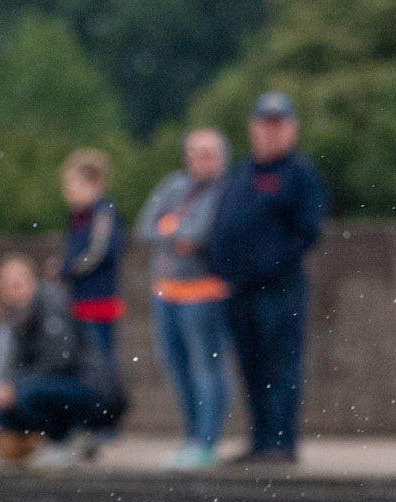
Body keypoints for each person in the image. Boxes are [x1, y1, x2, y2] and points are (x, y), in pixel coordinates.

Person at [204, 92, 323, 467]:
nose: (270, 133)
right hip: (239, 290)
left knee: (280, 366)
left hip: (279, 289)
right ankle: (259, 441)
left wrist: (267, 262)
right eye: (264, 125)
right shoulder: (243, 172)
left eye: (278, 125)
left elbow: (308, 231)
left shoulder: (298, 174)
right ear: (253, 128)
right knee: (251, 366)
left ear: (291, 128)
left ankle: (280, 443)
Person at [139, 129, 232, 469]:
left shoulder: (226, 190)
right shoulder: (172, 186)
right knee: (176, 368)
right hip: (166, 291)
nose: (201, 159)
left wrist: (172, 227)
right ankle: (191, 436)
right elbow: (146, 227)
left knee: (207, 368)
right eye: (195, 152)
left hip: (205, 293)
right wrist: (177, 231)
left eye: (209, 153)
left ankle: (207, 441)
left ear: (222, 157)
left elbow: (201, 234)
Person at [0, 254, 125, 466]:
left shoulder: (52, 302)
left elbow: (62, 359)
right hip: (60, 385)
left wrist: (16, 386)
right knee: (7, 410)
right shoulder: (16, 318)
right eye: (8, 286)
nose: (15, 291)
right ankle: (62, 438)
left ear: (33, 281)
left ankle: (63, 439)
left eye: (19, 283)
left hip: (95, 390)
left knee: (27, 393)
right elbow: (10, 365)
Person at [57, 148, 123, 457]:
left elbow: (97, 254)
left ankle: (106, 422)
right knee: (83, 366)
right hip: (80, 303)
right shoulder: (78, 217)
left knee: (102, 364)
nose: (67, 194)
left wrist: (66, 270)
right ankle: (89, 421)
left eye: (72, 186)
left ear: (93, 183)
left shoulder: (103, 212)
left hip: (99, 302)